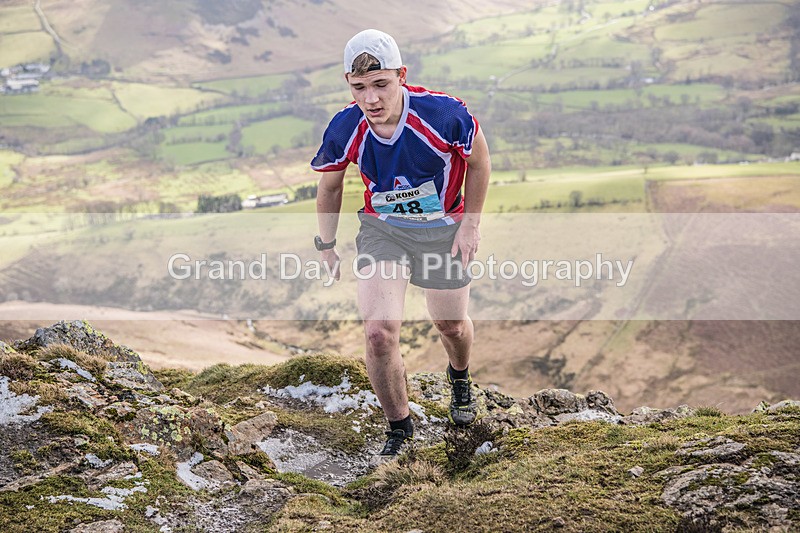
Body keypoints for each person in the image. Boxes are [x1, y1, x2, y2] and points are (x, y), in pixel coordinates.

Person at [311, 29, 491, 461]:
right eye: (359, 88)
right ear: (347, 84)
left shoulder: (445, 114)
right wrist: (326, 243)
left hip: (443, 228)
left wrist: (470, 224)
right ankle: (400, 428)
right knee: (378, 331)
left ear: (401, 76)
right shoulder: (345, 126)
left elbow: (479, 161)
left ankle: (460, 377)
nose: (371, 99)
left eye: (381, 85)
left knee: (451, 325)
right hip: (383, 229)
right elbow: (330, 186)